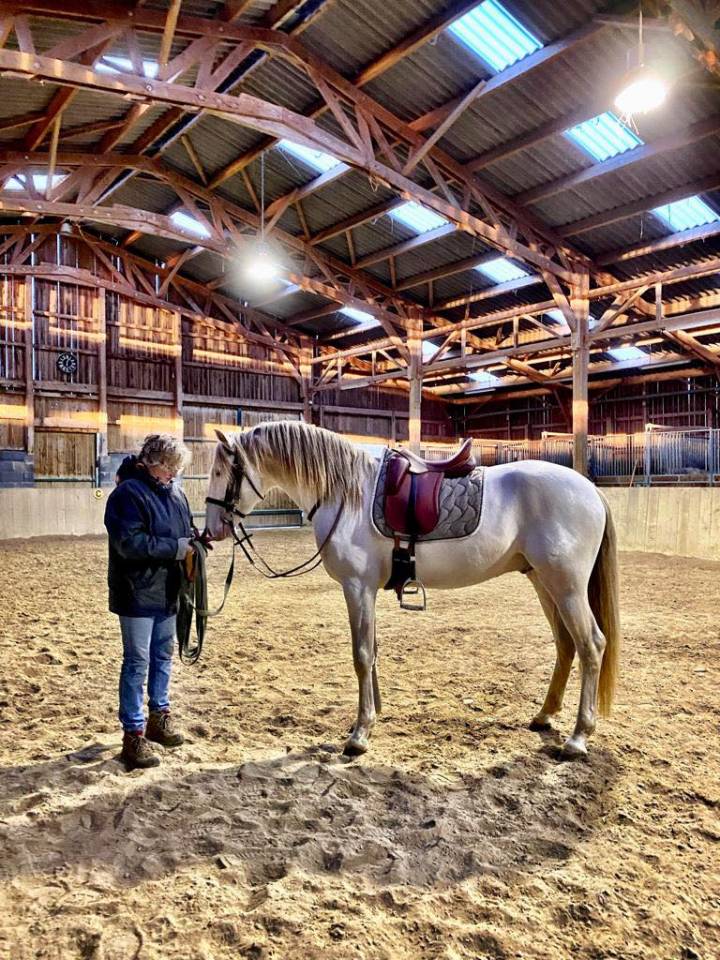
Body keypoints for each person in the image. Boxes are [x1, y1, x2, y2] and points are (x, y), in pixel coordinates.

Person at [104, 434, 195, 771]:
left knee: (162, 656)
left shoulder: (176, 494)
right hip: (137, 592)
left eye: (176, 468)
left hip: (169, 591)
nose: (173, 474)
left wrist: (197, 541)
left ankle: (159, 716)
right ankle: (133, 734)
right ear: (152, 462)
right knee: (137, 663)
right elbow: (129, 543)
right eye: (169, 467)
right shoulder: (127, 494)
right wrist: (175, 548)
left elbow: (185, 529)